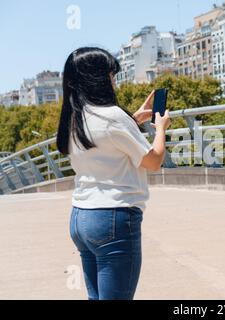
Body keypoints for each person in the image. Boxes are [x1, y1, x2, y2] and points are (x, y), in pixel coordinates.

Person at [56, 47, 171, 300]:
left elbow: (104, 140)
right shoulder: (113, 117)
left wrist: (133, 119)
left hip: (81, 218)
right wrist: (161, 128)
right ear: (98, 78)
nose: (113, 81)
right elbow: (153, 161)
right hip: (112, 218)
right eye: (111, 75)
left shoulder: (74, 116)